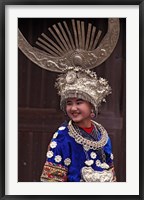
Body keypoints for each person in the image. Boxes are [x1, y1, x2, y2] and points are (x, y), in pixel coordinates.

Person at [40, 68, 117, 182]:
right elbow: (52, 181)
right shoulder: (62, 136)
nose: (73, 108)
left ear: (92, 106)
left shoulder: (101, 134)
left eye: (79, 102)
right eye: (69, 103)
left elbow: (110, 171)